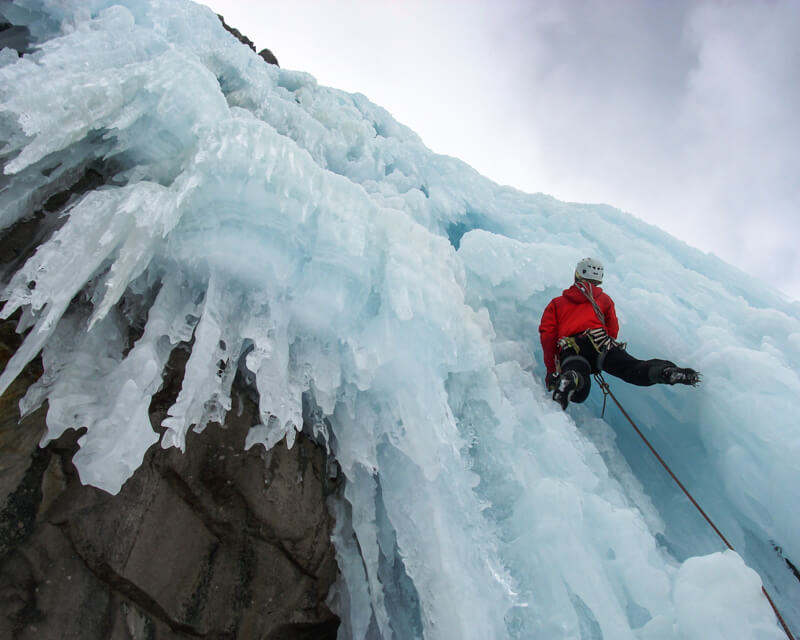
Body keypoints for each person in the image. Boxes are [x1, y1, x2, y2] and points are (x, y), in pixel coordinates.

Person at [539, 257, 700, 410]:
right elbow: (613, 330)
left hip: (572, 349)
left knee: (579, 389)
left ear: (577, 274)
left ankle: (572, 377)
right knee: (633, 369)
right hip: (601, 342)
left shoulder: (557, 303)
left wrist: (551, 370)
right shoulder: (604, 300)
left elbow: (547, 336)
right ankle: (666, 372)